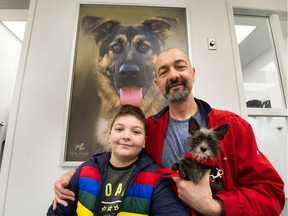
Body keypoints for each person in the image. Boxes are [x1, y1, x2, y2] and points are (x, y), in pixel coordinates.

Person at [52, 48, 285, 215]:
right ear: (157, 84)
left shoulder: (231, 126)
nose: (173, 75)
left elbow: (272, 194)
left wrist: (215, 206)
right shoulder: (147, 131)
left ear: (192, 73)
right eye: (163, 72)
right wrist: (75, 175)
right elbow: (119, 159)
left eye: (180, 67)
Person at [47, 104, 190, 215]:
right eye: (119, 129)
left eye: (136, 131)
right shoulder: (86, 169)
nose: (126, 136)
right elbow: (57, 212)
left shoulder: (156, 179)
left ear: (145, 142)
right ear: (109, 136)